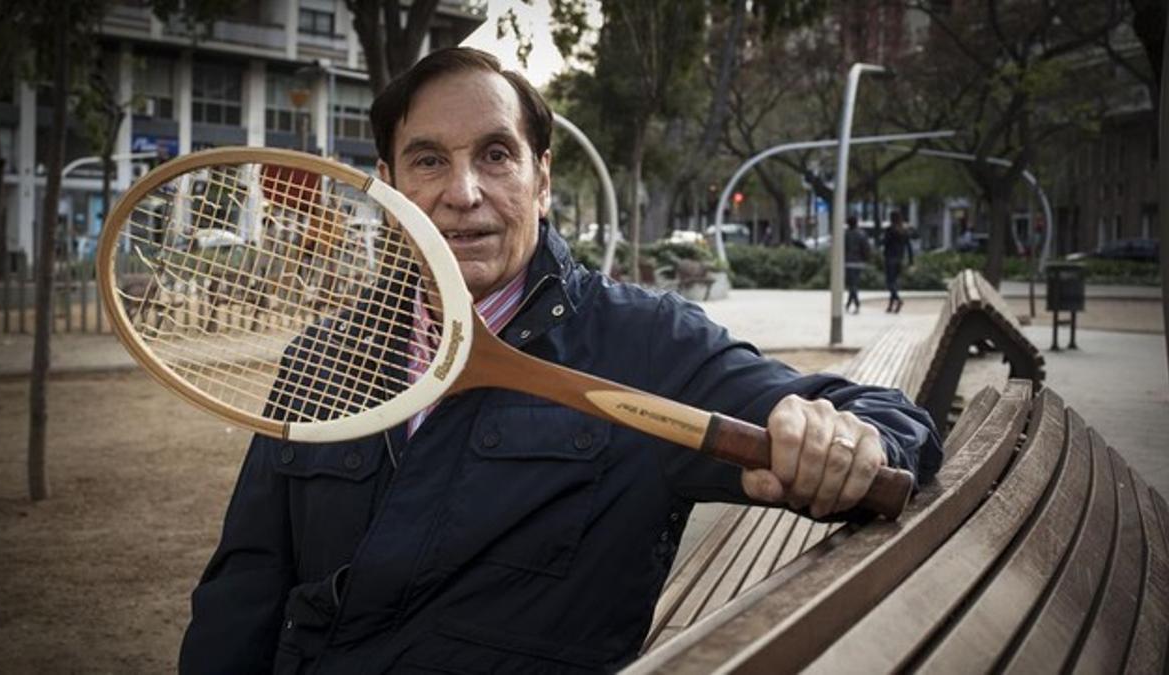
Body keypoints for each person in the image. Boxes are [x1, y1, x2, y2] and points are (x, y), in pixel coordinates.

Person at [179, 47, 942, 673]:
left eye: (495, 155)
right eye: (428, 162)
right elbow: (244, 587)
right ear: (390, 187)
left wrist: (851, 439)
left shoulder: (647, 346)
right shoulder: (323, 357)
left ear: (542, 179)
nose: (463, 192)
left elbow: (880, 417)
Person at [882, 210, 913, 313]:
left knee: (889, 282)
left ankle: (898, 300)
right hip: (900, 258)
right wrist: (911, 260)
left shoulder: (889, 230)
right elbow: (909, 246)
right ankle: (890, 306)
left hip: (890, 257)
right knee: (894, 282)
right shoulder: (904, 231)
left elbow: (885, 243)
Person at [844, 216, 871, 314]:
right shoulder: (862, 234)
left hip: (848, 262)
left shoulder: (846, 234)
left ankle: (856, 304)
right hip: (859, 262)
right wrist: (866, 259)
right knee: (854, 284)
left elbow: (843, 248)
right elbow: (866, 248)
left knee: (852, 285)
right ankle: (848, 304)